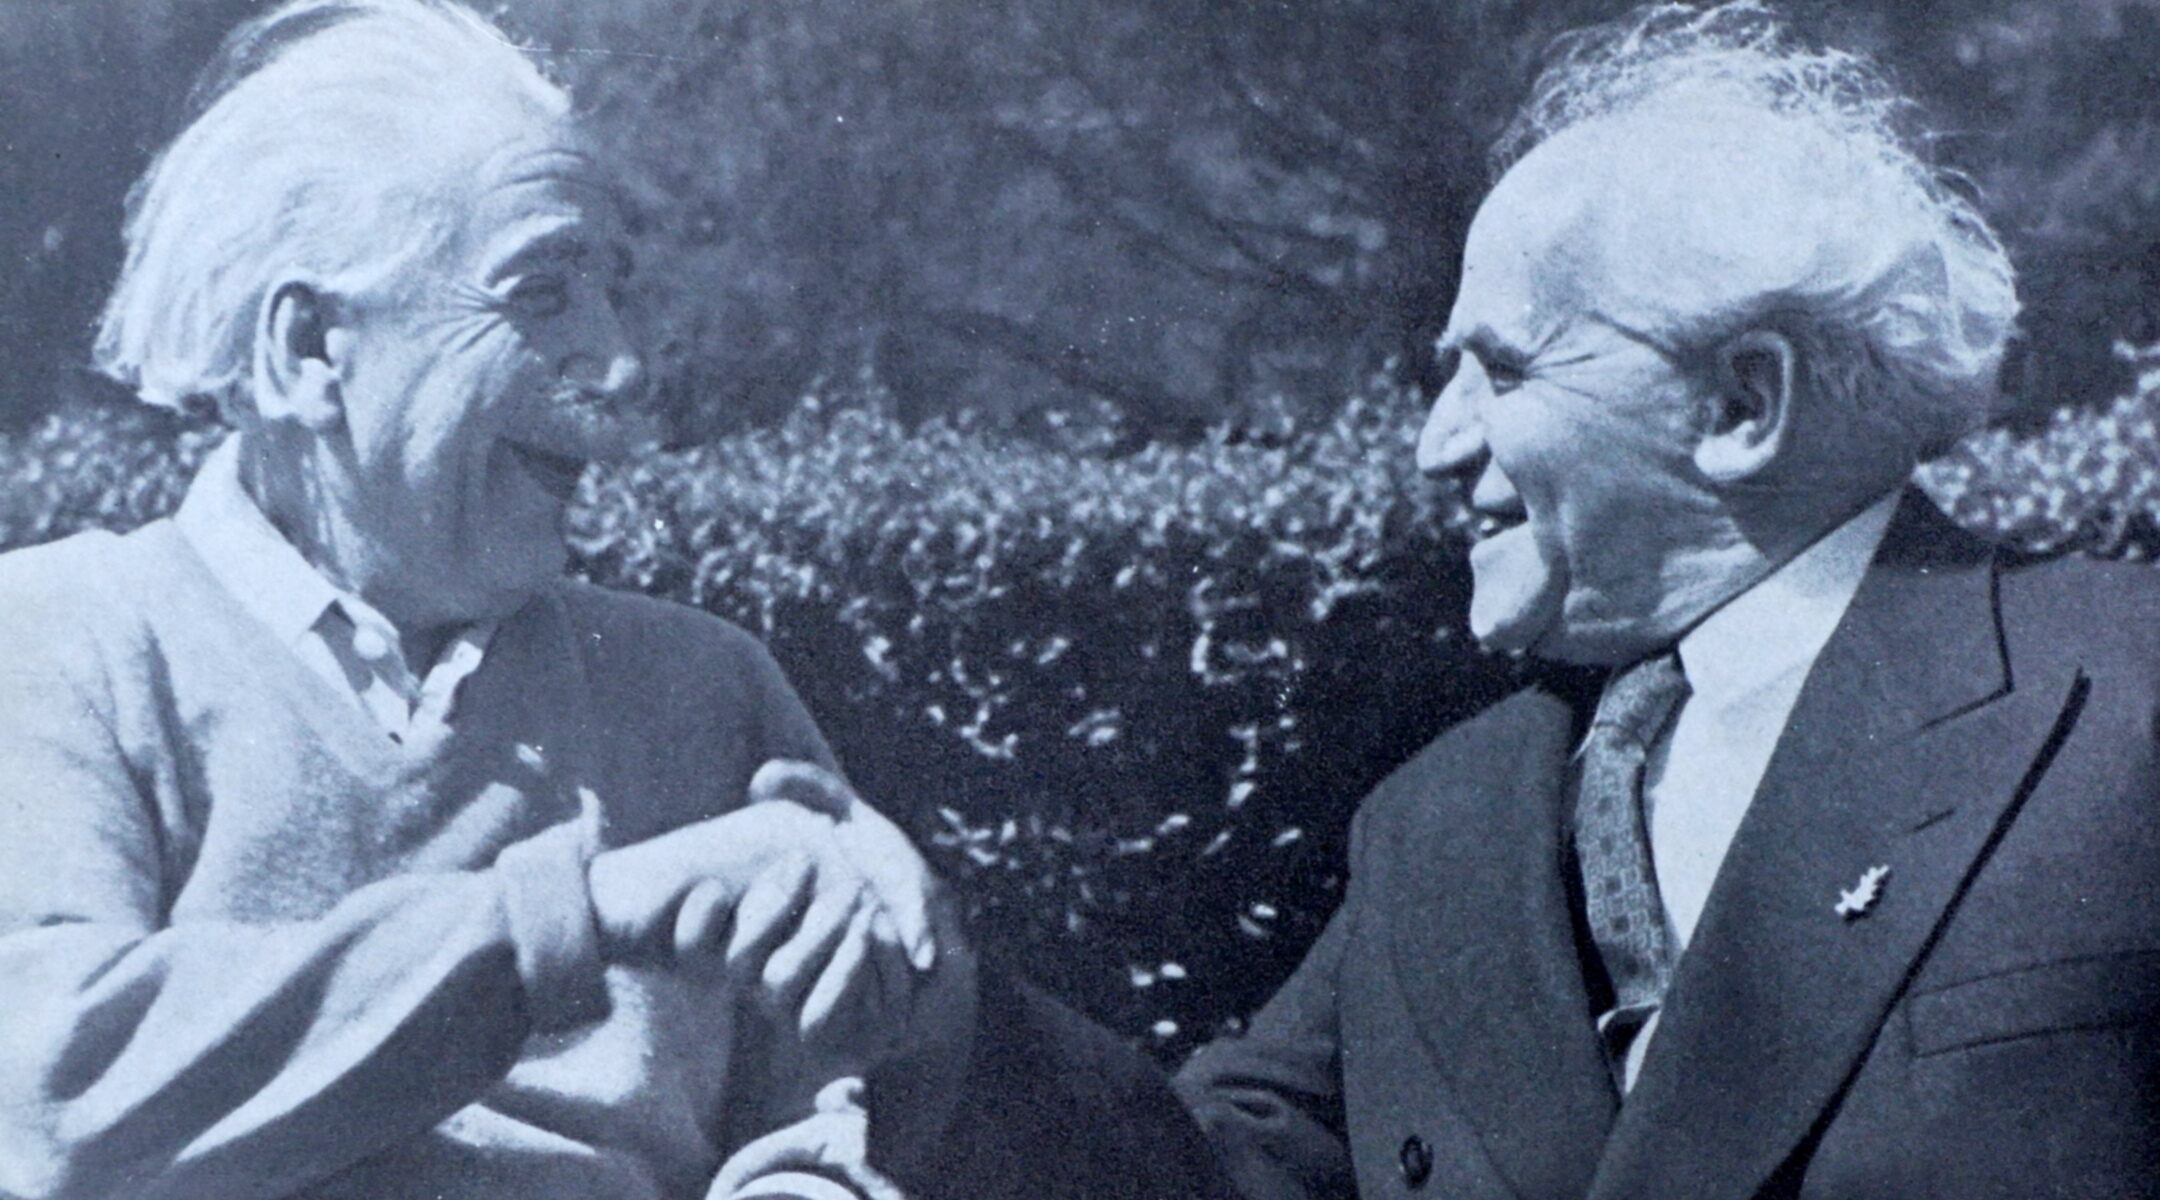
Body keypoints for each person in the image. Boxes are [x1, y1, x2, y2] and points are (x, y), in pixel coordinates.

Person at [892, 4, 2160, 1198]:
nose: (1438, 445)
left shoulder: (2123, 701)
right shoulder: (1444, 821)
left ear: (1740, 406)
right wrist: (932, 1001)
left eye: (1500, 368)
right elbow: (1209, 1175)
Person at [0, 3, 961, 1198]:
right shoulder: (59, 639)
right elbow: (45, 1101)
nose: (619, 364)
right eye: (541, 294)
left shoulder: (707, 688)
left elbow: (834, 1116)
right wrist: (586, 912)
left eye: (615, 293)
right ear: (309, 349)